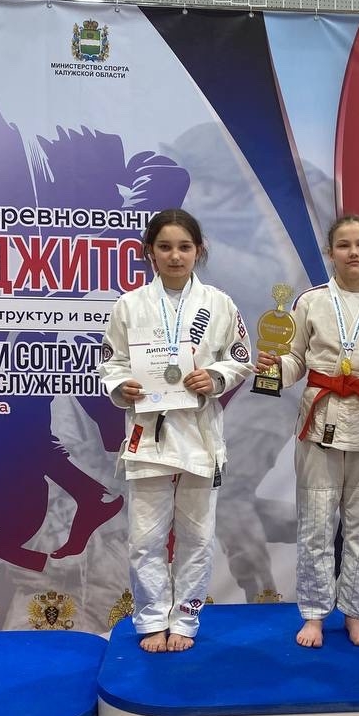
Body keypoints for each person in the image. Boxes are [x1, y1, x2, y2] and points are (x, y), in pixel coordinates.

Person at [98, 209, 252, 652]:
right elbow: (111, 362)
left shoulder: (219, 303)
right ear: (150, 251)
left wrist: (216, 376)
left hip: (200, 436)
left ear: (199, 251)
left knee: (197, 537)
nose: (175, 256)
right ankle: (150, 617)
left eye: (184, 247)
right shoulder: (129, 305)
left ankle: (185, 617)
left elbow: (240, 356)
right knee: (145, 538)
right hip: (148, 435)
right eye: (164, 247)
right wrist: (121, 385)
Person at [256, 214, 359, 647]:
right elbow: (295, 360)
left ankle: (355, 613)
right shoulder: (310, 302)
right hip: (320, 421)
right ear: (330, 252)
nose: (353, 252)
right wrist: (273, 369)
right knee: (317, 523)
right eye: (343, 245)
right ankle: (315, 614)